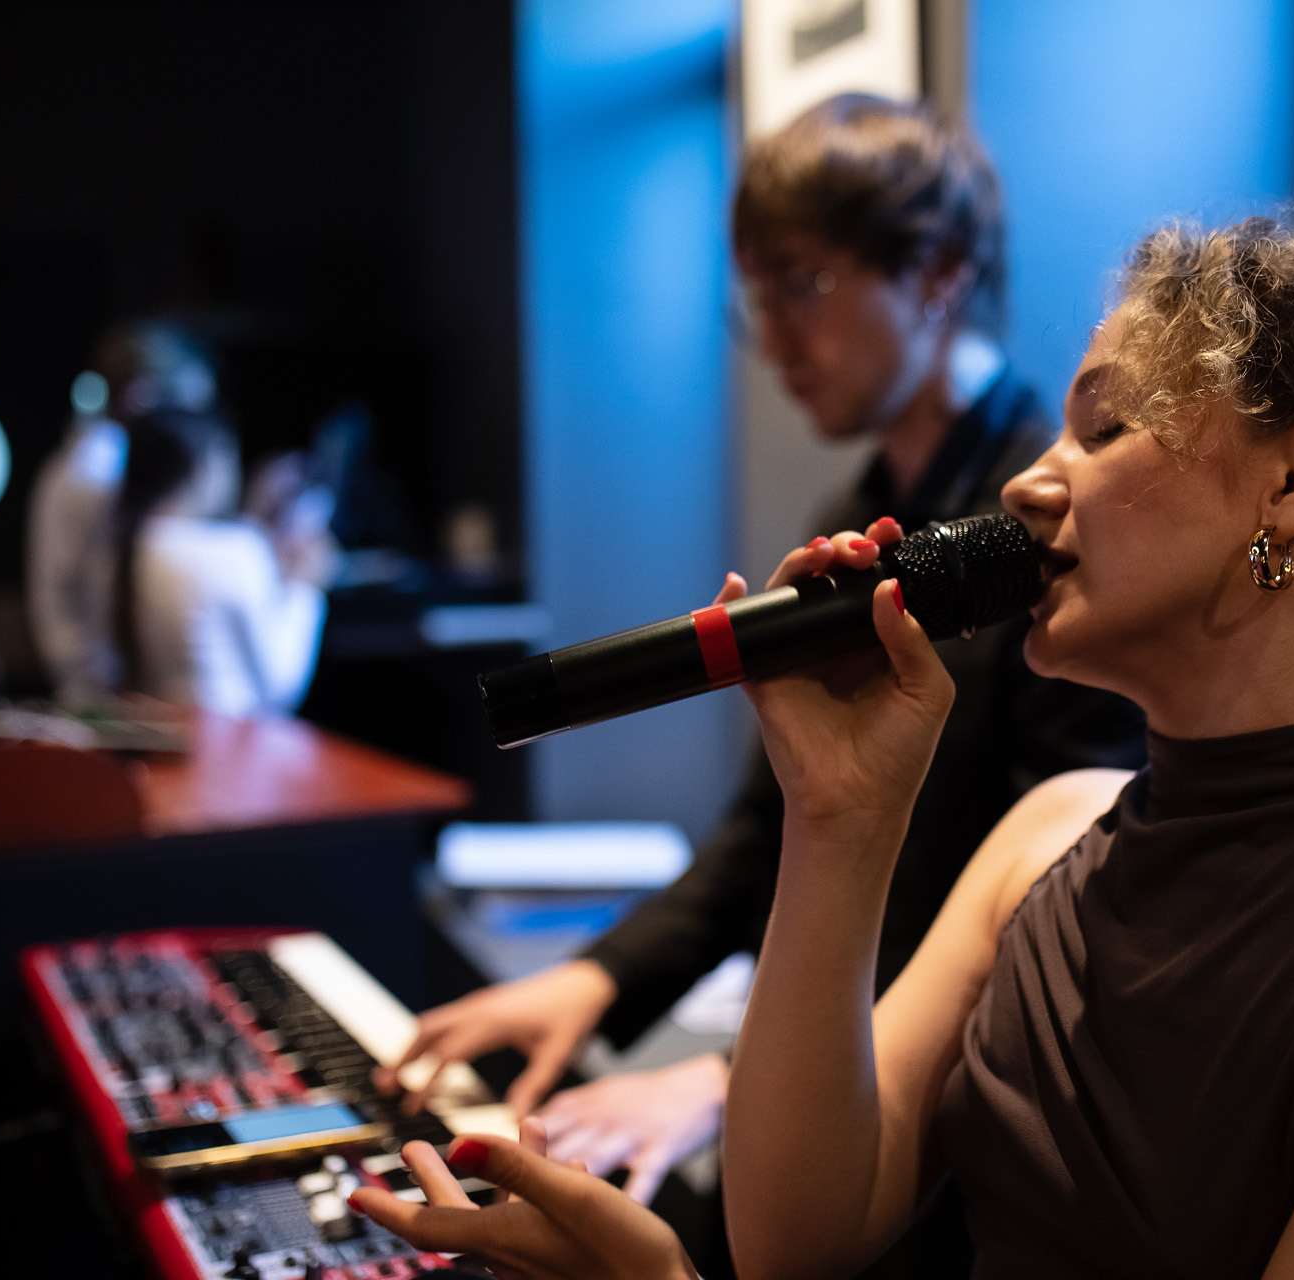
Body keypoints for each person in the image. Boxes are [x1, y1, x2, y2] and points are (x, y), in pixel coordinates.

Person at [351, 214, 1294, 1279]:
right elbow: (799, 1237)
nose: (1029, 481)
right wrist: (841, 814)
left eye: (1105, 428)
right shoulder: (1049, 833)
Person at [379, 94, 1145, 1267]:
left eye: (806, 285)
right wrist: (599, 977)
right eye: (758, 297)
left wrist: (731, 1077)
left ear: (939, 272)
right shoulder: (858, 512)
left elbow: (1036, 917)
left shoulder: (1038, 536)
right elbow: (762, 831)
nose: (775, 336)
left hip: (957, 1141)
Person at [26, 323, 219, 707]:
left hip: (101, 686)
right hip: (102, 693)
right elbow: (97, 589)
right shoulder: (100, 468)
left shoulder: (90, 458)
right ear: (139, 395)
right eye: (182, 408)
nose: (187, 431)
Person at [114, 410, 331, 718]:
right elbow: (283, 684)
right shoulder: (233, 550)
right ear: (199, 469)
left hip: (163, 721)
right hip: (232, 733)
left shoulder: (137, 541)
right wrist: (305, 587)